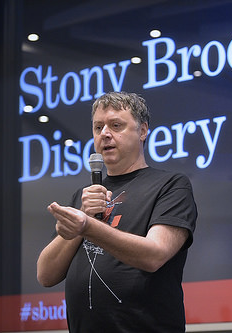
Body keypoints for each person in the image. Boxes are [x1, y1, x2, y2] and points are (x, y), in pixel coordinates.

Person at [36, 91, 197, 332]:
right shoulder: (85, 197)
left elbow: (154, 255)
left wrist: (87, 227)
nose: (105, 134)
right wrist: (83, 217)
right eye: (98, 127)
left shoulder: (171, 185)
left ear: (142, 131)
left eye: (116, 125)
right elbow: (45, 275)